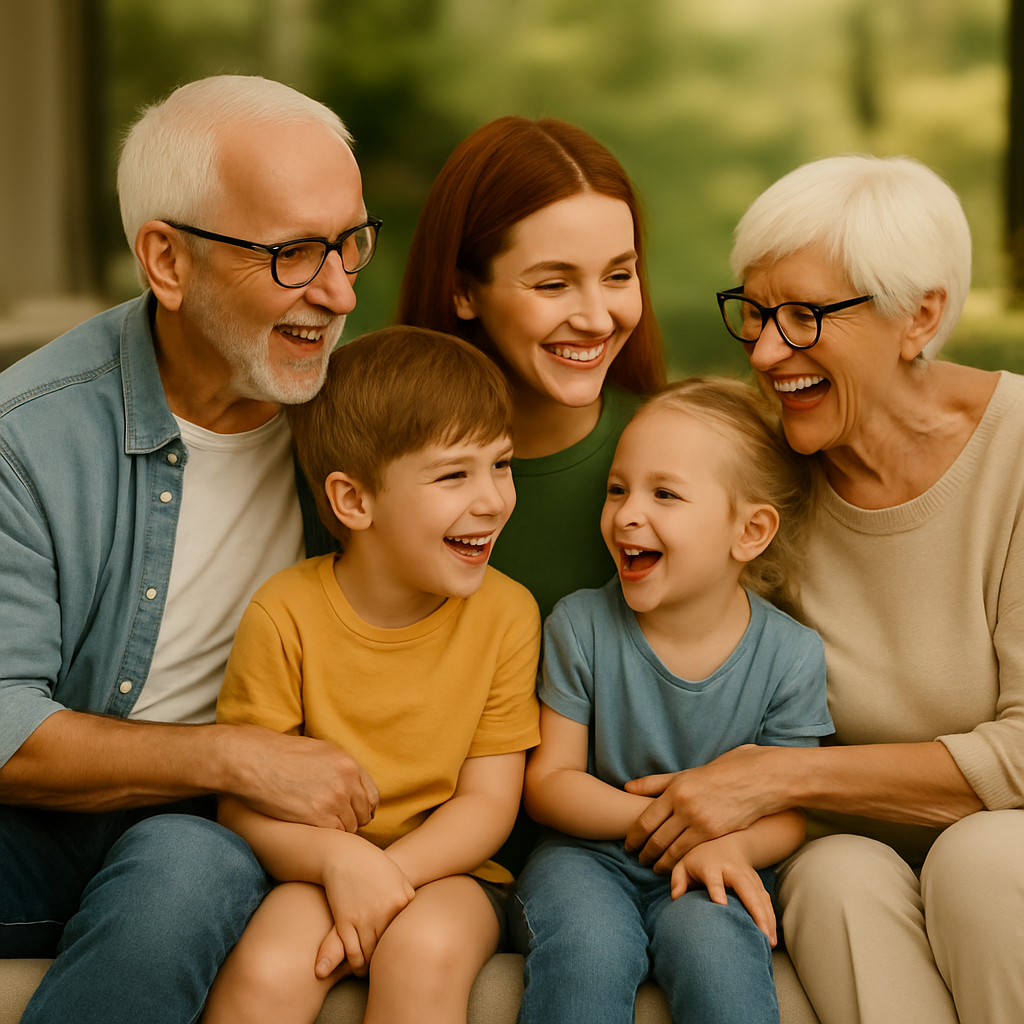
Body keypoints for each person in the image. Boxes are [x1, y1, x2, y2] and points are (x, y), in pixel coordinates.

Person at [0, 75, 383, 1023]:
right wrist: (234, 755)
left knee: (188, 864)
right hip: (34, 827)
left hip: (204, 837)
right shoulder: (27, 435)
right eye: (294, 254)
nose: (336, 292)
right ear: (166, 262)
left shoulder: (366, 424)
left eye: (350, 243)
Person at [621, 156, 1024, 1024]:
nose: (767, 353)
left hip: (1004, 846)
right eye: (757, 313)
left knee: (982, 858)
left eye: (805, 317)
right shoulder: (762, 478)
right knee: (837, 873)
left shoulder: (1019, 452)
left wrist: (779, 777)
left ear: (919, 317)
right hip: (841, 846)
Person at [205, 326, 541, 1024]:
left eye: (501, 464)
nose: (492, 499)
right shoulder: (284, 613)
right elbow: (242, 804)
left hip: (452, 874)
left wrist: (387, 876)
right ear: (354, 502)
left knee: (421, 951)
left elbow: (487, 804)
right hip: (312, 865)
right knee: (268, 971)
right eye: (454, 474)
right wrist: (339, 863)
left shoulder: (508, 614)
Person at [512, 378, 833, 1024]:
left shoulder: (791, 655)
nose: (628, 513)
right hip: (585, 860)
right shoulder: (580, 626)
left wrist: (730, 847)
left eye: (664, 494)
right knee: (591, 947)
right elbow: (550, 782)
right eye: (618, 489)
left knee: (715, 948)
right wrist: (671, 815)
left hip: (715, 860)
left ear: (750, 531)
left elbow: (788, 811)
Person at [398, 115, 666, 621]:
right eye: (552, 284)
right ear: (462, 291)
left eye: (618, 275)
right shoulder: (372, 460)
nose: (595, 318)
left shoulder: (690, 456)